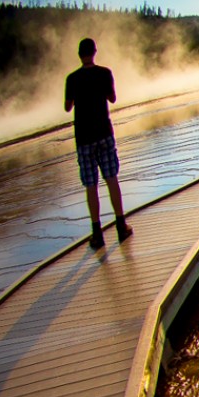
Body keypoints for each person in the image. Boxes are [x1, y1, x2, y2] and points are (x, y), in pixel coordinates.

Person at [63, 38, 132, 250]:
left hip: (84, 139)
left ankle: (97, 234)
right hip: (104, 133)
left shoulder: (72, 78)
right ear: (94, 52)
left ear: (79, 54)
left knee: (91, 185)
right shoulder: (105, 73)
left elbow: (67, 107)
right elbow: (112, 98)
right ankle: (121, 225)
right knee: (112, 178)